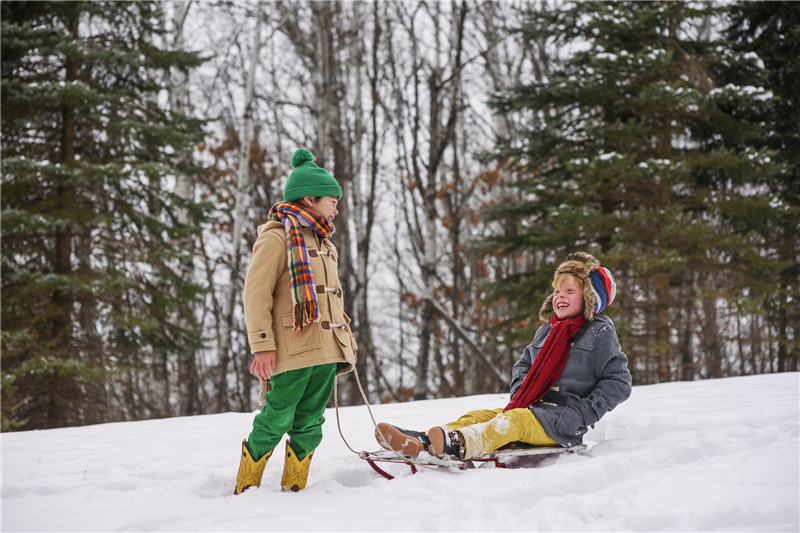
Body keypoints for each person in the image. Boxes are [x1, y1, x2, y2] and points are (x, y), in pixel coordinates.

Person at [375, 252, 631, 460]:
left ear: (589, 299)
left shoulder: (599, 333)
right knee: (481, 417)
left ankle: (458, 444)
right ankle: (423, 441)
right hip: (530, 409)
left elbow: (618, 382)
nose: (559, 296)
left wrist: (585, 413)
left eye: (569, 291)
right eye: (557, 291)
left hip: (563, 422)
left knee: (513, 421)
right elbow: (524, 365)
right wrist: (522, 391)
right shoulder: (547, 332)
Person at [234, 148, 357, 494]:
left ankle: (294, 489)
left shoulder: (325, 244)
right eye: (332, 200)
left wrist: (348, 343)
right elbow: (255, 294)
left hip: (325, 352)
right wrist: (261, 345)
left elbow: (334, 300)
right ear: (309, 198)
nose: (336, 207)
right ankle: (246, 487)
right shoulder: (276, 238)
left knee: (310, 422)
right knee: (276, 417)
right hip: (290, 350)